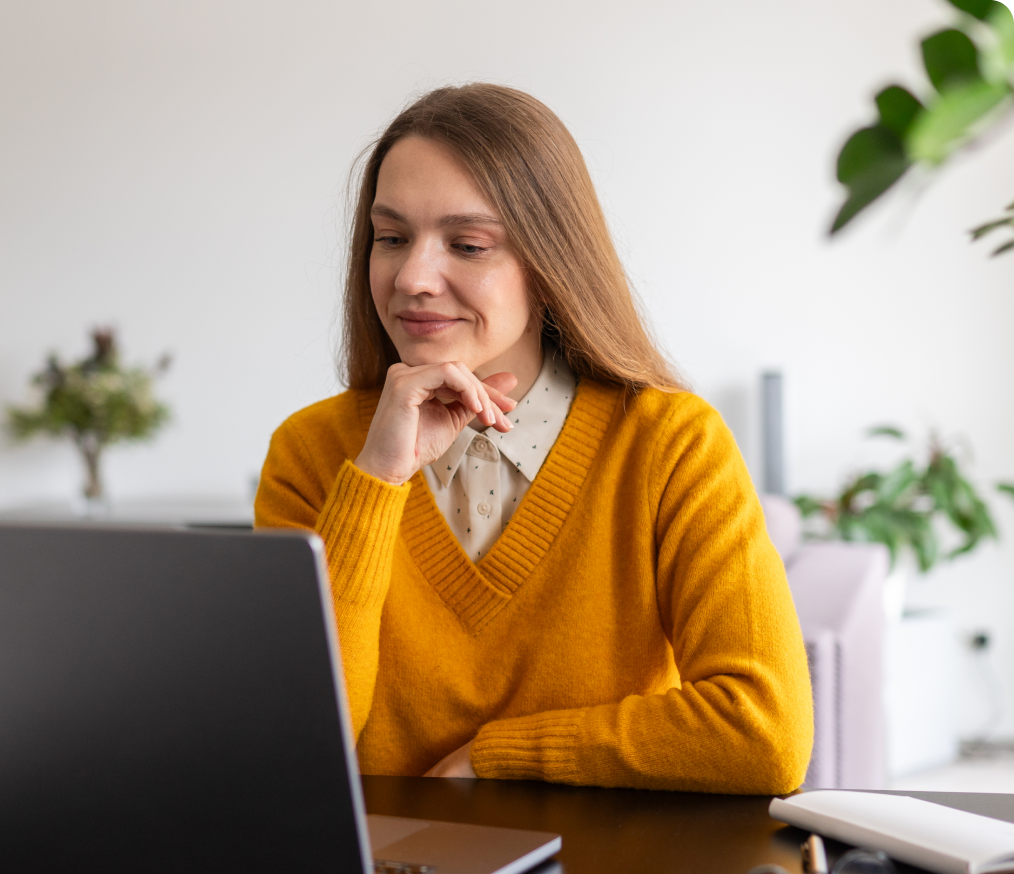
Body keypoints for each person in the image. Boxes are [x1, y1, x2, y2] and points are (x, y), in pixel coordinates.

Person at [255, 83, 813, 794]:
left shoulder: (672, 445)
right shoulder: (310, 453)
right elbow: (296, 750)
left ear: (551, 266)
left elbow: (766, 732)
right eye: (391, 238)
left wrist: (503, 757)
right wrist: (376, 481)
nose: (414, 278)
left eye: (468, 244)